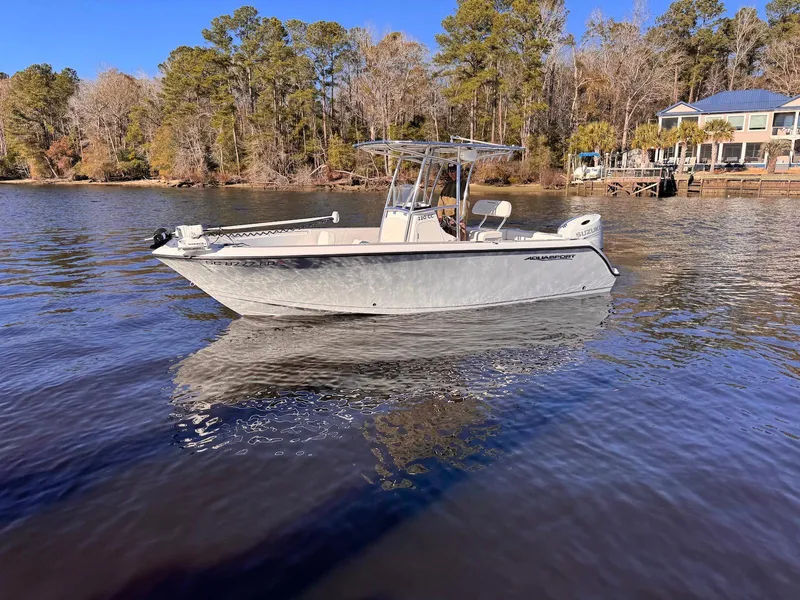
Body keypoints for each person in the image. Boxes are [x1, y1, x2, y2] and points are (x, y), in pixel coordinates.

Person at [436, 164, 469, 238]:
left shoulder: (463, 183)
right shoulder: (448, 184)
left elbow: (464, 202)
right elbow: (441, 200)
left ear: (458, 171)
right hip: (446, 219)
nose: (451, 173)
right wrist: (439, 215)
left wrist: (461, 219)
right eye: (449, 171)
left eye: (453, 170)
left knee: (459, 238)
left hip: (456, 219)